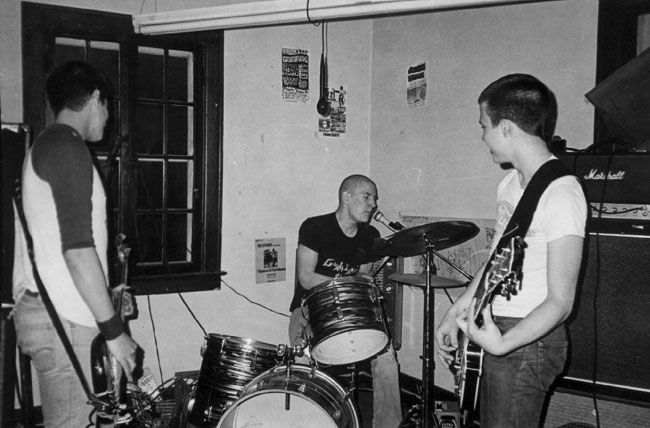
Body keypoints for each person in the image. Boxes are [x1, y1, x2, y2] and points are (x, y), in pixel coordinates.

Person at [434, 74, 587, 427]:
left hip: (527, 340)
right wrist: (456, 311)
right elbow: (496, 259)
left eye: (483, 126)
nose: (482, 136)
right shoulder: (509, 184)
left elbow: (561, 302)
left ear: (505, 127)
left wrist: (503, 344)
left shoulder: (562, 193)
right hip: (497, 328)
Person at [11, 61, 140, 428]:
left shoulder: (50, 145)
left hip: (55, 312)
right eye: (108, 106)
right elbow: (77, 250)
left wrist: (109, 298)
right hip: (65, 319)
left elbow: (56, 247)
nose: (108, 118)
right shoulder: (68, 148)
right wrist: (113, 331)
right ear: (96, 99)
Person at [288, 174, 402, 428]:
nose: (373, 204)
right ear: (346, 196)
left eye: (375, 198)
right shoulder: (314, 227)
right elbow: (306, 277)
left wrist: (359, 286)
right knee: (302, 362)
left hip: (352, 309)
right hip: (310, 309)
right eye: (367, 197)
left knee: (386, 359)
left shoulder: (370, 234)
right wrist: (346, 285)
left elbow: (362, 277)